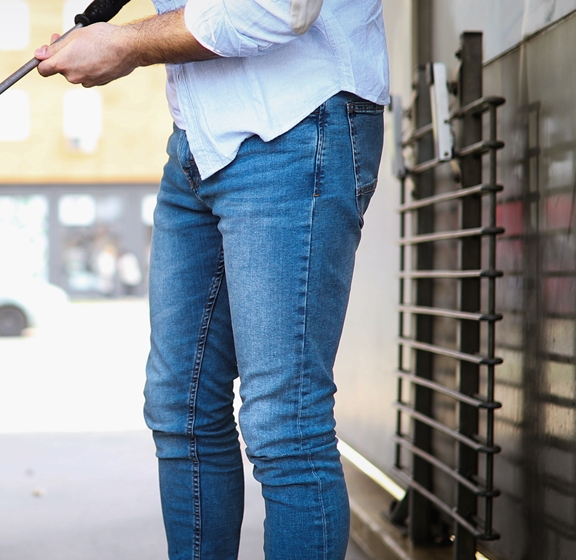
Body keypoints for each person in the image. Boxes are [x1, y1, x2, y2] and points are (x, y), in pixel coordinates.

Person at [35, 2, 388, 559]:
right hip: (198, 143)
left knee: (285, 425)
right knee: (180, 410)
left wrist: (125, 43)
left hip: (294, 124)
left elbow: (278, 8)